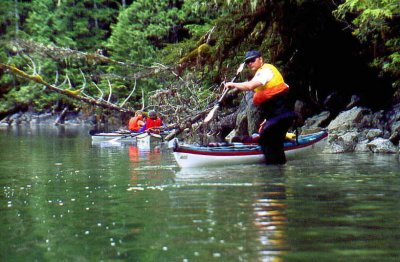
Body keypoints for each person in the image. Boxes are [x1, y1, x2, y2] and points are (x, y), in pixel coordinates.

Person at [225, 50, 296, 165]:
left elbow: (250, 86)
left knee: (268, 141)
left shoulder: (266, 71)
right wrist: (267, 120)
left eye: (253, 60)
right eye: (248, 62)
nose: (250, 63)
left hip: (282, 116)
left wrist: (233, 84)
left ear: (261, 59)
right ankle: (277, 169)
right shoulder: (259, 73)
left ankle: (276, 174)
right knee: (266, 138)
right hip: (277, 117)